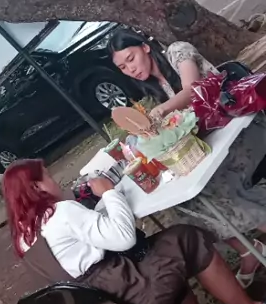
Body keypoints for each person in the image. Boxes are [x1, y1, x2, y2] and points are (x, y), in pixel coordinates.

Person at [3, 159, 266, 304]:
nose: (55, 180)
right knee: (187, 238)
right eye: (47, 176)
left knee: (158, 251)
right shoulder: (60, 213)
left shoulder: (24, 240)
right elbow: (124, 237)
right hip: (127, 303)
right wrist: (108, 192)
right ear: (37, 188)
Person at [109, 27, 266, 281]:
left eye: (131, 58)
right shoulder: (155, 88)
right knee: (186, 206)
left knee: (217, 190)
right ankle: (249, 250)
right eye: (123, 67)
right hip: (213, 144)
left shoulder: (177, 52)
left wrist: (162, 111)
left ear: (145, 47)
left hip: (244, 127)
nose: (131, 69)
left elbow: (192, 90)